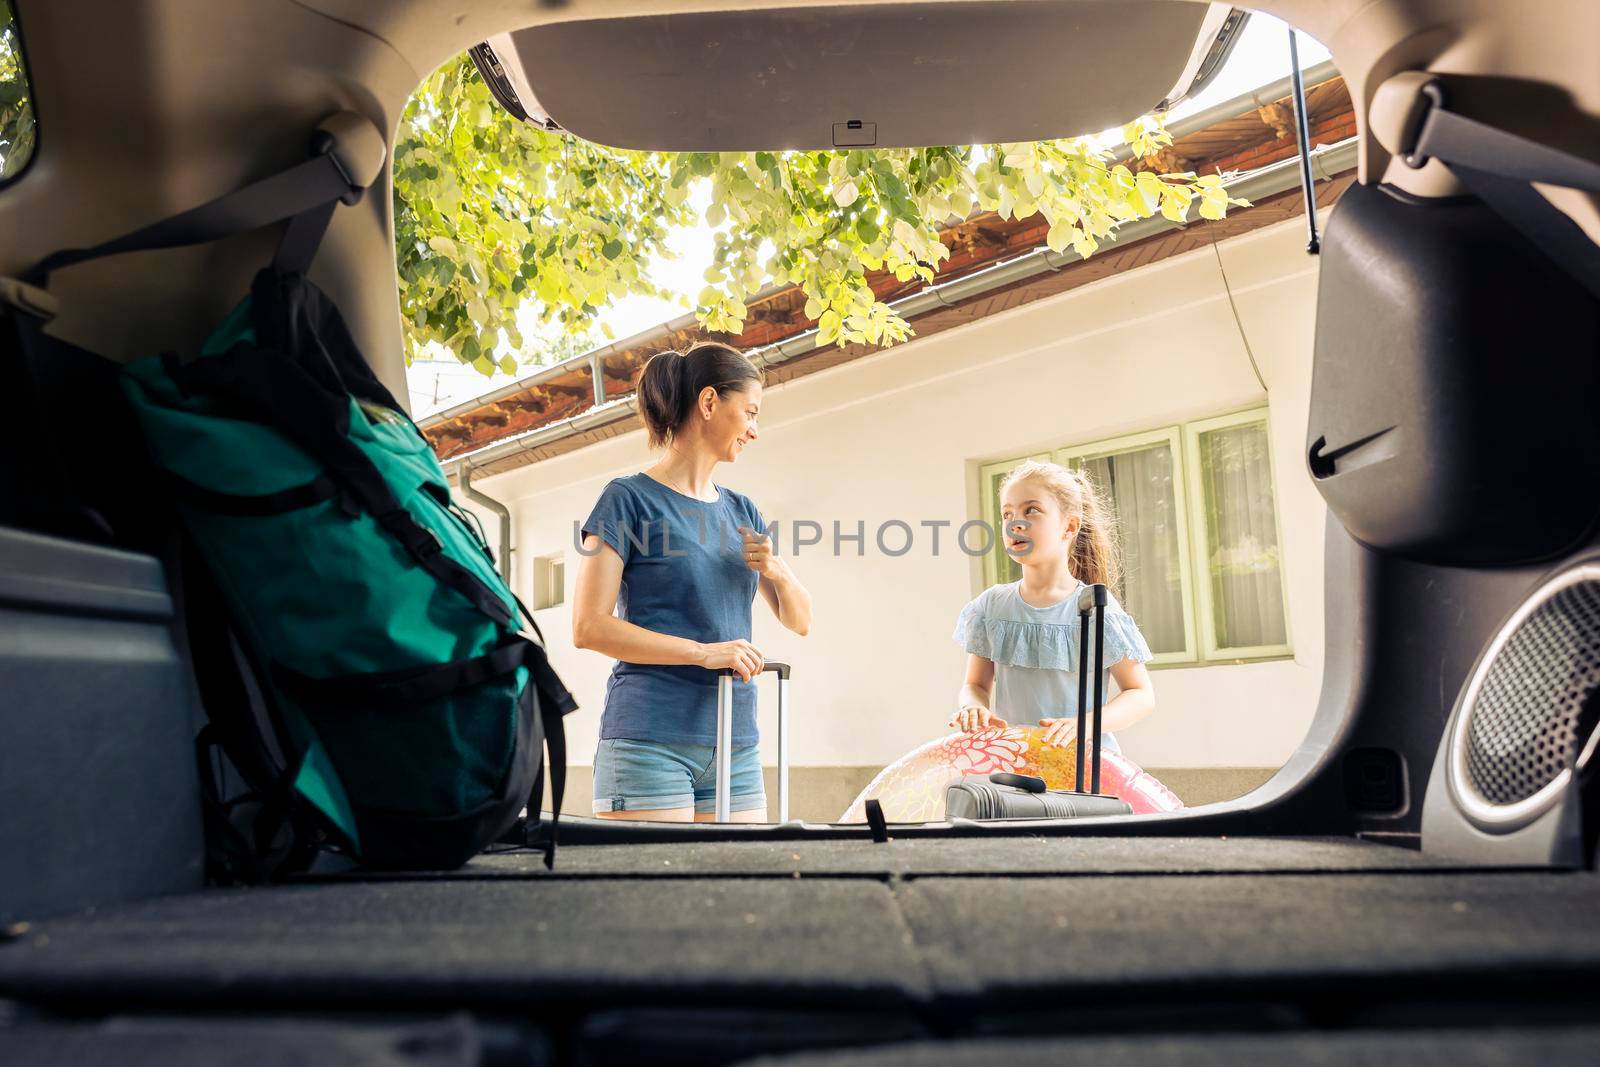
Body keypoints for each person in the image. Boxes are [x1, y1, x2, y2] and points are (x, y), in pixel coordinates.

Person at [572, 342, 812, 822]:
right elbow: (589, 627)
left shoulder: (742, 511)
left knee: (738, 895)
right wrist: (704, 653)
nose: (754, 431)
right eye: (749, 412)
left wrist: (777, 570)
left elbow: (799, 621)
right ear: (708, 403)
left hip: (735, 743)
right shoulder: (627, 500)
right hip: (649, 742)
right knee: (660, 897)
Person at [949, 459, 1155, 754]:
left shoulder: (1095, 607)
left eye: (1031, 510)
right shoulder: (991, 606)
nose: (1015, 522)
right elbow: (975, 685)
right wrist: (972, 706)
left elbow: (1141, 695)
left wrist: (1083, 724)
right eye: (1007, 513)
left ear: (1069, 526)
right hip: (1017, 766)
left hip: (1086, 773)